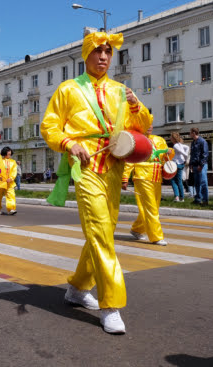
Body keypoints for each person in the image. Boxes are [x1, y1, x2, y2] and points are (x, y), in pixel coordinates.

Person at [41, 31, 152, 334]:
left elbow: (142, 126)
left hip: (114, 167)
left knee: (103, 230)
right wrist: (68, 143)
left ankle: (77, 288)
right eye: (98, 51)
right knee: (101, 232)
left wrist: (135, 107)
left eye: (108, 52)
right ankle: (111, 304)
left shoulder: (120, 90)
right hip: (85, 166)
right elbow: (49, 125)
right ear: (86, 54)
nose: (103, 56)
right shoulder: (68, 90)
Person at [122, 126, 174, 246]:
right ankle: (156, 236)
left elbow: (165, 158)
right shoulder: (136, 141)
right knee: (151, 207)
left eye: (150, 124)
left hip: (157, 176)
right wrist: (125, 178)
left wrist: (170, 153)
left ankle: (137, 229)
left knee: (153, 206)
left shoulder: (159, 140)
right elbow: (130, 160)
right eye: (146, 123)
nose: (149, 126)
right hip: (142, 175)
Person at [0, 147, 18, 215]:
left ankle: (11, 209)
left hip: (9, 183)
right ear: (5, 153)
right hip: (0, 183)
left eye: (10, 152)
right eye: (8, 152)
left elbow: (14, 171)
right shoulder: (0, 161)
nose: (9, 153)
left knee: (11, 195)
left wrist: (11, 178)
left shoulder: (13, 162)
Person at [189, 127, 209, 205]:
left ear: (194, 133)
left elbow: (205, 154)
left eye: (190, 132)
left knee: (203, 182)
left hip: (201, 166)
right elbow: (192, 154)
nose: (189, 134)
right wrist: (191, 164)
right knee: (197, 183)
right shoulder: (193, 142)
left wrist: (201, 165)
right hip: (195, 165)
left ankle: (205, 200)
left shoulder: (202, 141)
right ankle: (198, 199)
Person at [169, 132, 189, 202]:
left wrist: (186, 158)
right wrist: (184, 160)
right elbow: (187, 147)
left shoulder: (175, 146)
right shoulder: (180, 144)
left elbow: (184, 153)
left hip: (176, 164)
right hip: (181, 164)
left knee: (173, 180)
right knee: (179, 181)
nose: (170, 138)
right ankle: (182, 198)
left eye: (171, 137)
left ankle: (177, 197)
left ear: (173, 138)